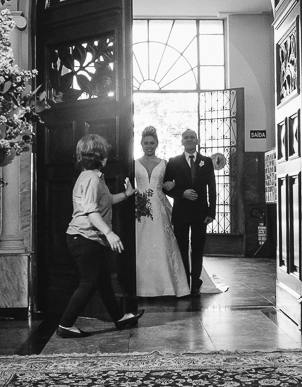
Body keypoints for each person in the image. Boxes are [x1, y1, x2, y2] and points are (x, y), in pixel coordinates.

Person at [59, 134, 144, 338]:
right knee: (88, 282)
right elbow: (91, 211)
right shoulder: (91, 179)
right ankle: (65, 325)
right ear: (102, 158)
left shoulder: (93, 177)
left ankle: (119, 318)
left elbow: (103, 202)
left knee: (103, 281)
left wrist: (126, 195)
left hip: (89, 238)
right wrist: (110, 233)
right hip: (83, 238)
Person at [134, 127, 191, 297]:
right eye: (146, 143)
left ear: (157, 143)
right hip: (140, 206)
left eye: (152, 143)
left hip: (159, 206)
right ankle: (141, 285)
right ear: (141, 144)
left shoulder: (164, 163)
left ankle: (168, 284)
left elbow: (172, 182)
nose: (149, 146)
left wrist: (173, 185)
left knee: (162, 239)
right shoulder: (134, 163)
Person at [164, 128, 216, 296]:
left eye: (192, 137)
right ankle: (184, 280)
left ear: (197, 140)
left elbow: (212, 188)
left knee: (198, 247)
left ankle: (196, 281)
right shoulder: (173, 162)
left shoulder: (206, 162)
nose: (189, 139)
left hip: (201, 213)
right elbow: (165, 187)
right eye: (185, 137)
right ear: (181, 141)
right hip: (181, 211)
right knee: (182, 246)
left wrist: (211, 211)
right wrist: (181, 193)